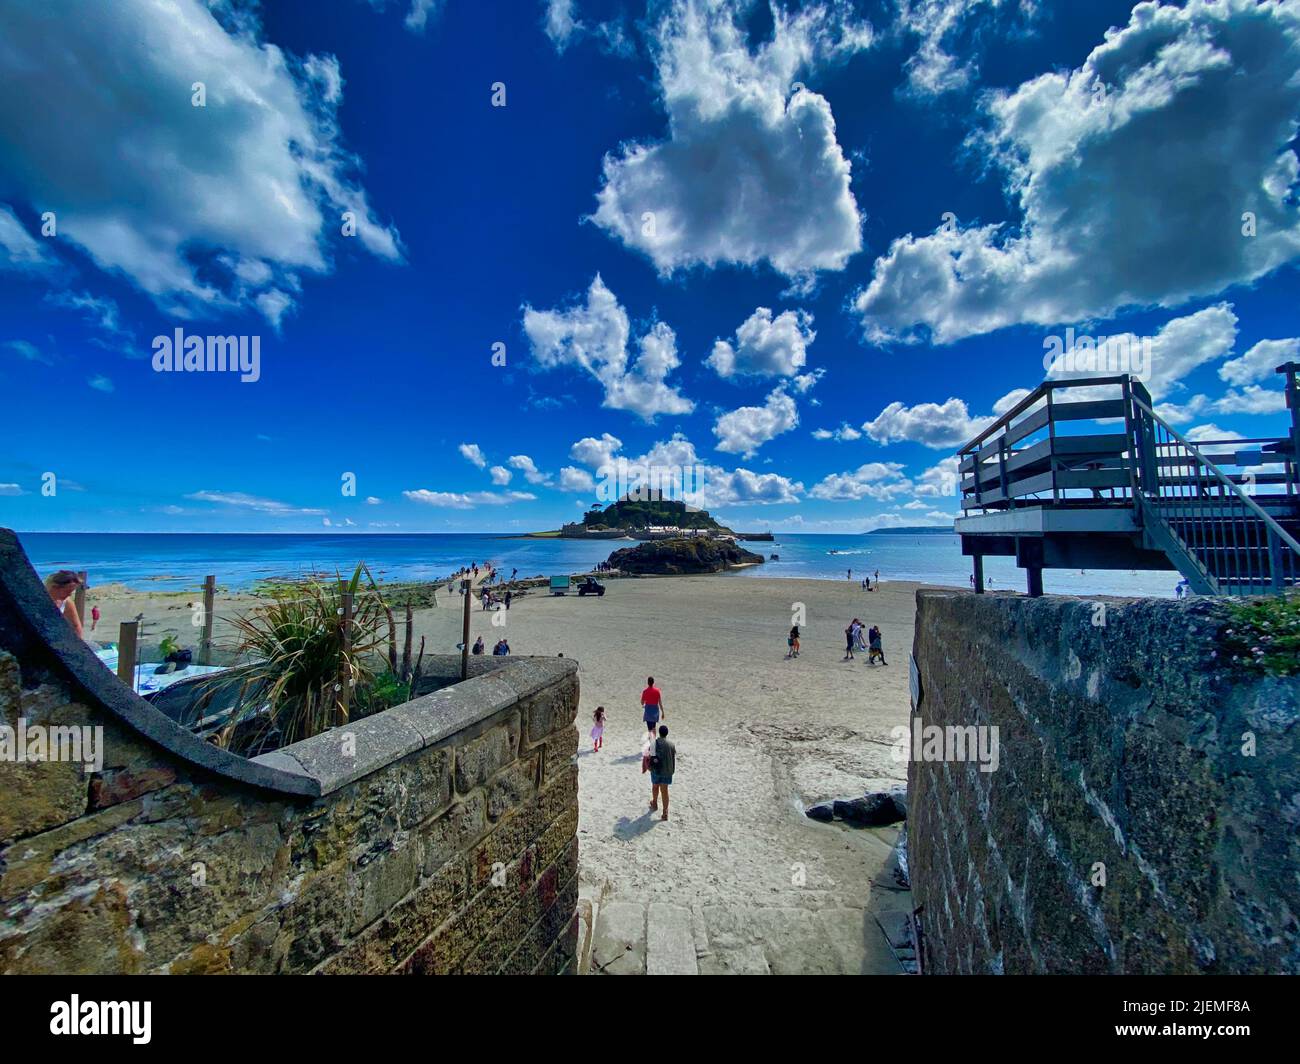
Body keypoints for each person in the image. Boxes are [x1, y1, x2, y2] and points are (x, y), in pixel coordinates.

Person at [44, 571, 84, 638]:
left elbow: (76, 626)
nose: (70, 594)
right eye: (67, 591)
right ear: (54, 587)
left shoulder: (67, 602)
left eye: (71, 591)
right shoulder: (38, 600)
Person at [649, 725, 676, 822]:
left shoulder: (654, 743)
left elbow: (650, 756)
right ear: (667, 733)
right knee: (664, 791)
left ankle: (655, 803)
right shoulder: (671, 744)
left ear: (659, 733)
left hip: (656, 769)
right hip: (667, 771)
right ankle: (665, 812)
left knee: (655, 786)